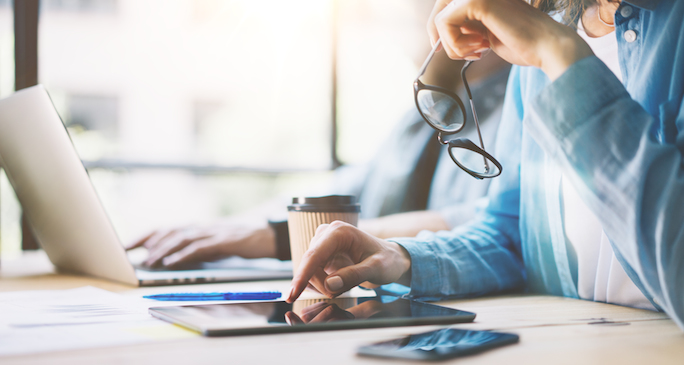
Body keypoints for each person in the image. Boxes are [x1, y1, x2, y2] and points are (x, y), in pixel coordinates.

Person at [287, 0, 684, 331]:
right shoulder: (546, 36)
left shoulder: (550, 41)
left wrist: (558, 53)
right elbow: (511, 232)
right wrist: (400, 258)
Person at [127, 6, 512, 268]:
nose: (403, 10)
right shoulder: (429, 114)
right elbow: (350, 189)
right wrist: (222, 230)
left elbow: (491, 223)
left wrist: (279, 236)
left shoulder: (522, 106)